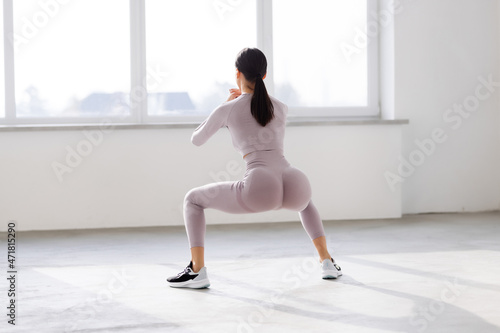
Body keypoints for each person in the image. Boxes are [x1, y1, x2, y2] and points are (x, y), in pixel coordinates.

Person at [167, 48, 341, 289]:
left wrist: (225, 107)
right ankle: (327, 261)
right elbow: (258, 112)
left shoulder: (228, 109)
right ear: (265, 75)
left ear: (237, 73)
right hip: (293, 180)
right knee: (306, 202)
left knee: (193, 200)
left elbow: (197, 139)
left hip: (260, 185)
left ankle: (197, 270)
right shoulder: (281, 107)